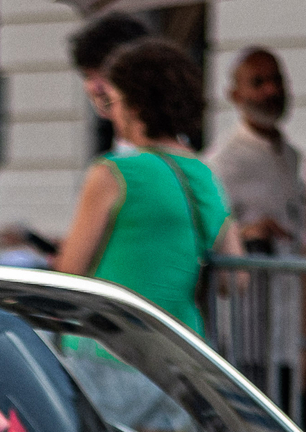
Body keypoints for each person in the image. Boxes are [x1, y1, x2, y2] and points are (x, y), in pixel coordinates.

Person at [54, 38, 240, 333]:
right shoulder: (204, 173)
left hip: (110, 345)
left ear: (135, 105)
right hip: (180, 345)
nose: (112, 114)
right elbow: (236, 278)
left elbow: (70, 271)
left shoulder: (112, 172)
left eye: (113, 101)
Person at [205, 47, 306, 254]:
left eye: (277, 80)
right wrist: (247, 233)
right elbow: (206, 234)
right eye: (258, 83)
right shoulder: (222, 162)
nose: (271, 90)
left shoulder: (292, 156)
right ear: (235, 95)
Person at [67, 11, 150, 140]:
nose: (96, 87)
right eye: (87, 76)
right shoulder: (105, 137)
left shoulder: (180, 143)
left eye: (105, 75)